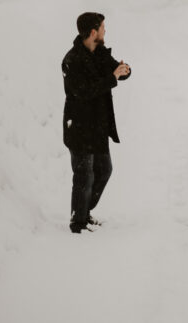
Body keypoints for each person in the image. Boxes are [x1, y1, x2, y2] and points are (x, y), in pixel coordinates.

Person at [62, 12, 132, 233]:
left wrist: (124, 71)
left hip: (98, 126)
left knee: (104, 170)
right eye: (103, 27)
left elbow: (115, 71)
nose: (105, 31)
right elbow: (83, 92)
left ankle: (84, 211)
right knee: (84, 175)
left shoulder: (100, 52)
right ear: (93, 32)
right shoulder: (71, 60)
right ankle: (78, 223)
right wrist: (112, 78)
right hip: (80, 127)